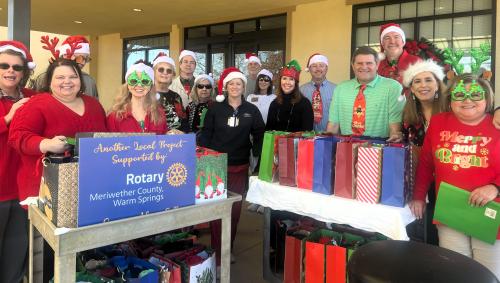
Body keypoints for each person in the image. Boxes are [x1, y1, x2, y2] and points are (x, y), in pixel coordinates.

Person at [410, 73, 500, 278]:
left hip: (491, 214)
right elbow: (426, 163)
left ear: (487, 98)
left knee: (488, 275)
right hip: (451, 212)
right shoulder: (439, 122)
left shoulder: (497, 125)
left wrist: (495, 187)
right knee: (454, 272)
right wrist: (418, 196)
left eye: (476, 95)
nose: (467, 100)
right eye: (460, 94)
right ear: (450, 99)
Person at [9, 47, 107, 204]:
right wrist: (46, 144)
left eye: (73, 77)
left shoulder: (94, 105)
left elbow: (106, 137)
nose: (67, 81)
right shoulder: (36, 104)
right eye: (60, 77)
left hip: (90, 186)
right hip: (47, 187)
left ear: (80, 80)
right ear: (50, 81)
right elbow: (17, 136)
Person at [199, 67, 265, 267]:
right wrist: (205, 160)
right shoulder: (214, 109)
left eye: (239, 83)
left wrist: (258, 157)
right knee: (215, 210)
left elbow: (260, 133)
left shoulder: (251, 110)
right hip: (215, 165)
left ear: (244, 87)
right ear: (225, 87)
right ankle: (216, 251)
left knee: (234, 211)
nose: (235, 87)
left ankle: (227, 248)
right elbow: (206, 135)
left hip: (239, 165)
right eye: (231, 83)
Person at [0, 40, 37, 283]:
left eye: (17, 67)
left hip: (24, 192)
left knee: (16, 260)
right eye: (4, 65)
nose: (10, 71)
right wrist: (8, 118)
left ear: (25, 72)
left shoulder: (34, 98)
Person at [401, 59, 446, 245]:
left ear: (438, 84)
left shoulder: (453, 110)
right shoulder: (409, 115)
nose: (423, 85)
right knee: (424, 234)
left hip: (448, 184)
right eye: (417, 81)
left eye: (428, 80)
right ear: (411, 88)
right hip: (421, 183)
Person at [326, 46, 404, 141]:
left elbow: (395, 129)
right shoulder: (340, 89)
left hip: (378, 149)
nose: (364, 67)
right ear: (353, 65)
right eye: (359, 63)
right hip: (346, 148)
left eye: (369, 63)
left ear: (377, 64)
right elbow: (333, 126)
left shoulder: (393, 87)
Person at [107, 61, 167, 134]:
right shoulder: (114, 116)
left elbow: (163, 141)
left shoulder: (159, 113)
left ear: (151, 85)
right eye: (133, 81)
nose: (139, 85)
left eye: (144, 81)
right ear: (127, 85)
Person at [32, 35, 99, 99]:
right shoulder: (43, 77)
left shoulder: (89, 80)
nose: (83, 63)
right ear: (65, 56)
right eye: (80, 58)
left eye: (86, 59)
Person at [266, 60, 313, 132]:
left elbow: (307, 132)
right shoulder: (274, 104)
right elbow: (268, 130)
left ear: (296, 83)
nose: (287, 82)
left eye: (291, 79)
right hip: (276, 143)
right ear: (280, 81)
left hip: (298, 143)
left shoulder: (305, 103)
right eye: (284, 78)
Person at [300, 53, 336, 132]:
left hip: (330, 137)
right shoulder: (301, 91)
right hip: (307, 137)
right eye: (314, 66)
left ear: (326, 68)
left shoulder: (336, 90)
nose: (318, 69)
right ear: (309, 69)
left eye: (321, 65)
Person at [153, 53, 188, 132]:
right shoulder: (146, 94)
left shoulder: (176, 96)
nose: (165, 73)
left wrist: (182, 133)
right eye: (161, 69)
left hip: (176, 141)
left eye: (169, 71)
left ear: (173, 75)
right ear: (154, 72)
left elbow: (183, 121)